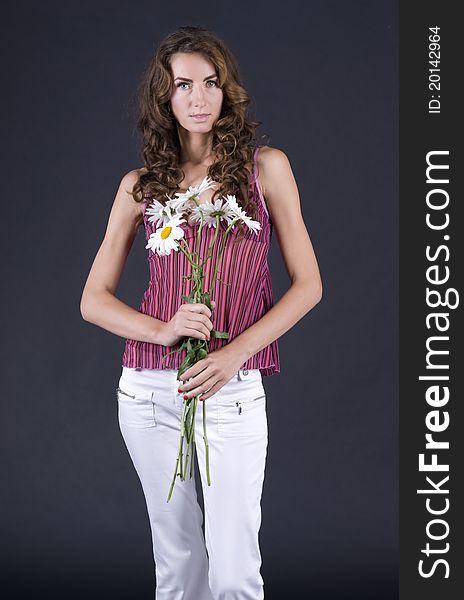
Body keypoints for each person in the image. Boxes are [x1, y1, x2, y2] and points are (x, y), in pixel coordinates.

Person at [80, 25, 322, 600]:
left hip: (232, 387)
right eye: (183, 84)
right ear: (163, 97)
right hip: (148, 393)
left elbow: (308, 284)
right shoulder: (142, 188)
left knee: (236, 571)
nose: (198, 97)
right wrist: (163, 330)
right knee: (180, 567)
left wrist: (237, 353)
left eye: (211, 83)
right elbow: (93, 300)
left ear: (227, 91)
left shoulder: (265, 170)